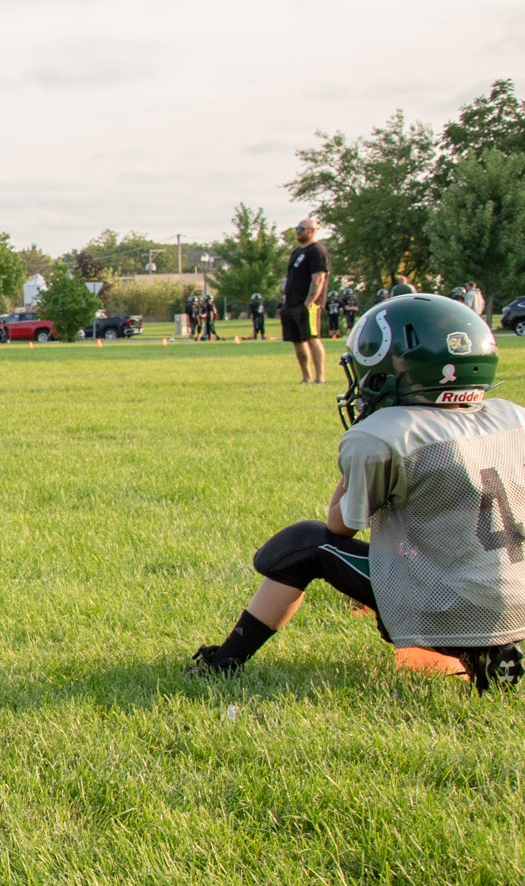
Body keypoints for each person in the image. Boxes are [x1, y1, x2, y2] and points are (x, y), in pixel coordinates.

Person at [191, 293, 522, 691]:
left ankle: (225, 660)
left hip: (453, 605)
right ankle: (490, 649)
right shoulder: (512, 417)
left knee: (304, 544)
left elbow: (342, 526)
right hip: (516, 597)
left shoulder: (388, 434)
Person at [284, 217, 331, 385]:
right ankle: (306, 377)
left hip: (309, 304)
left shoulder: (317, 251)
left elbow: (318, 279)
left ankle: (320, 378)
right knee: (297, 340)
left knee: (312, 337)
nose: (297, 232)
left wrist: (309, 302)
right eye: (297, 228)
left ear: (312, 230)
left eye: (301, 229)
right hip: (292, 303)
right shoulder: (297, 252)